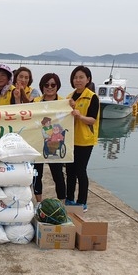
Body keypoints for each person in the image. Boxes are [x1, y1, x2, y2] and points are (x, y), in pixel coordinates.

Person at [65, 66, 100, 212]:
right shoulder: (69, 97)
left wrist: (79, 116)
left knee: (81, 170)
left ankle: (82, 201)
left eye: (81, 77)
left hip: (85, 141)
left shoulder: (92, 97)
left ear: (88, 79)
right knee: (70, 171)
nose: (78, 80)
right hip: (70, 140)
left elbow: (92, 120)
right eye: (75, 77)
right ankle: (69, 198)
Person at [32, 73, 66, 203]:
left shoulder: (64, 103)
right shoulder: (35, 102)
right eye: (46, 85)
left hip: (55, 142)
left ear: (58, 86)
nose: (49, 87)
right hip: (37, 142)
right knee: (36, 174)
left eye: (53, 84)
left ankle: (62, 202)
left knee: (58, 175)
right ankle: (39, 202)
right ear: (42, 86)